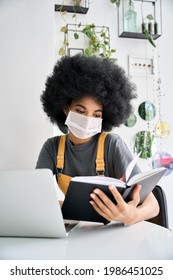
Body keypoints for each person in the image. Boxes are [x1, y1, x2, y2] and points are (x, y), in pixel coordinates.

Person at [36, 54, 159, 225]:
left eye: (96, 115)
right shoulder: (52, 148)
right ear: (65, 108)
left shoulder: (111, 145)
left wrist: (133, 215)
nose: (88, 119)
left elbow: (154, 206)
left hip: (112, 232)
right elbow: (36, 198)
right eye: (80, 111)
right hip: (76, 233)